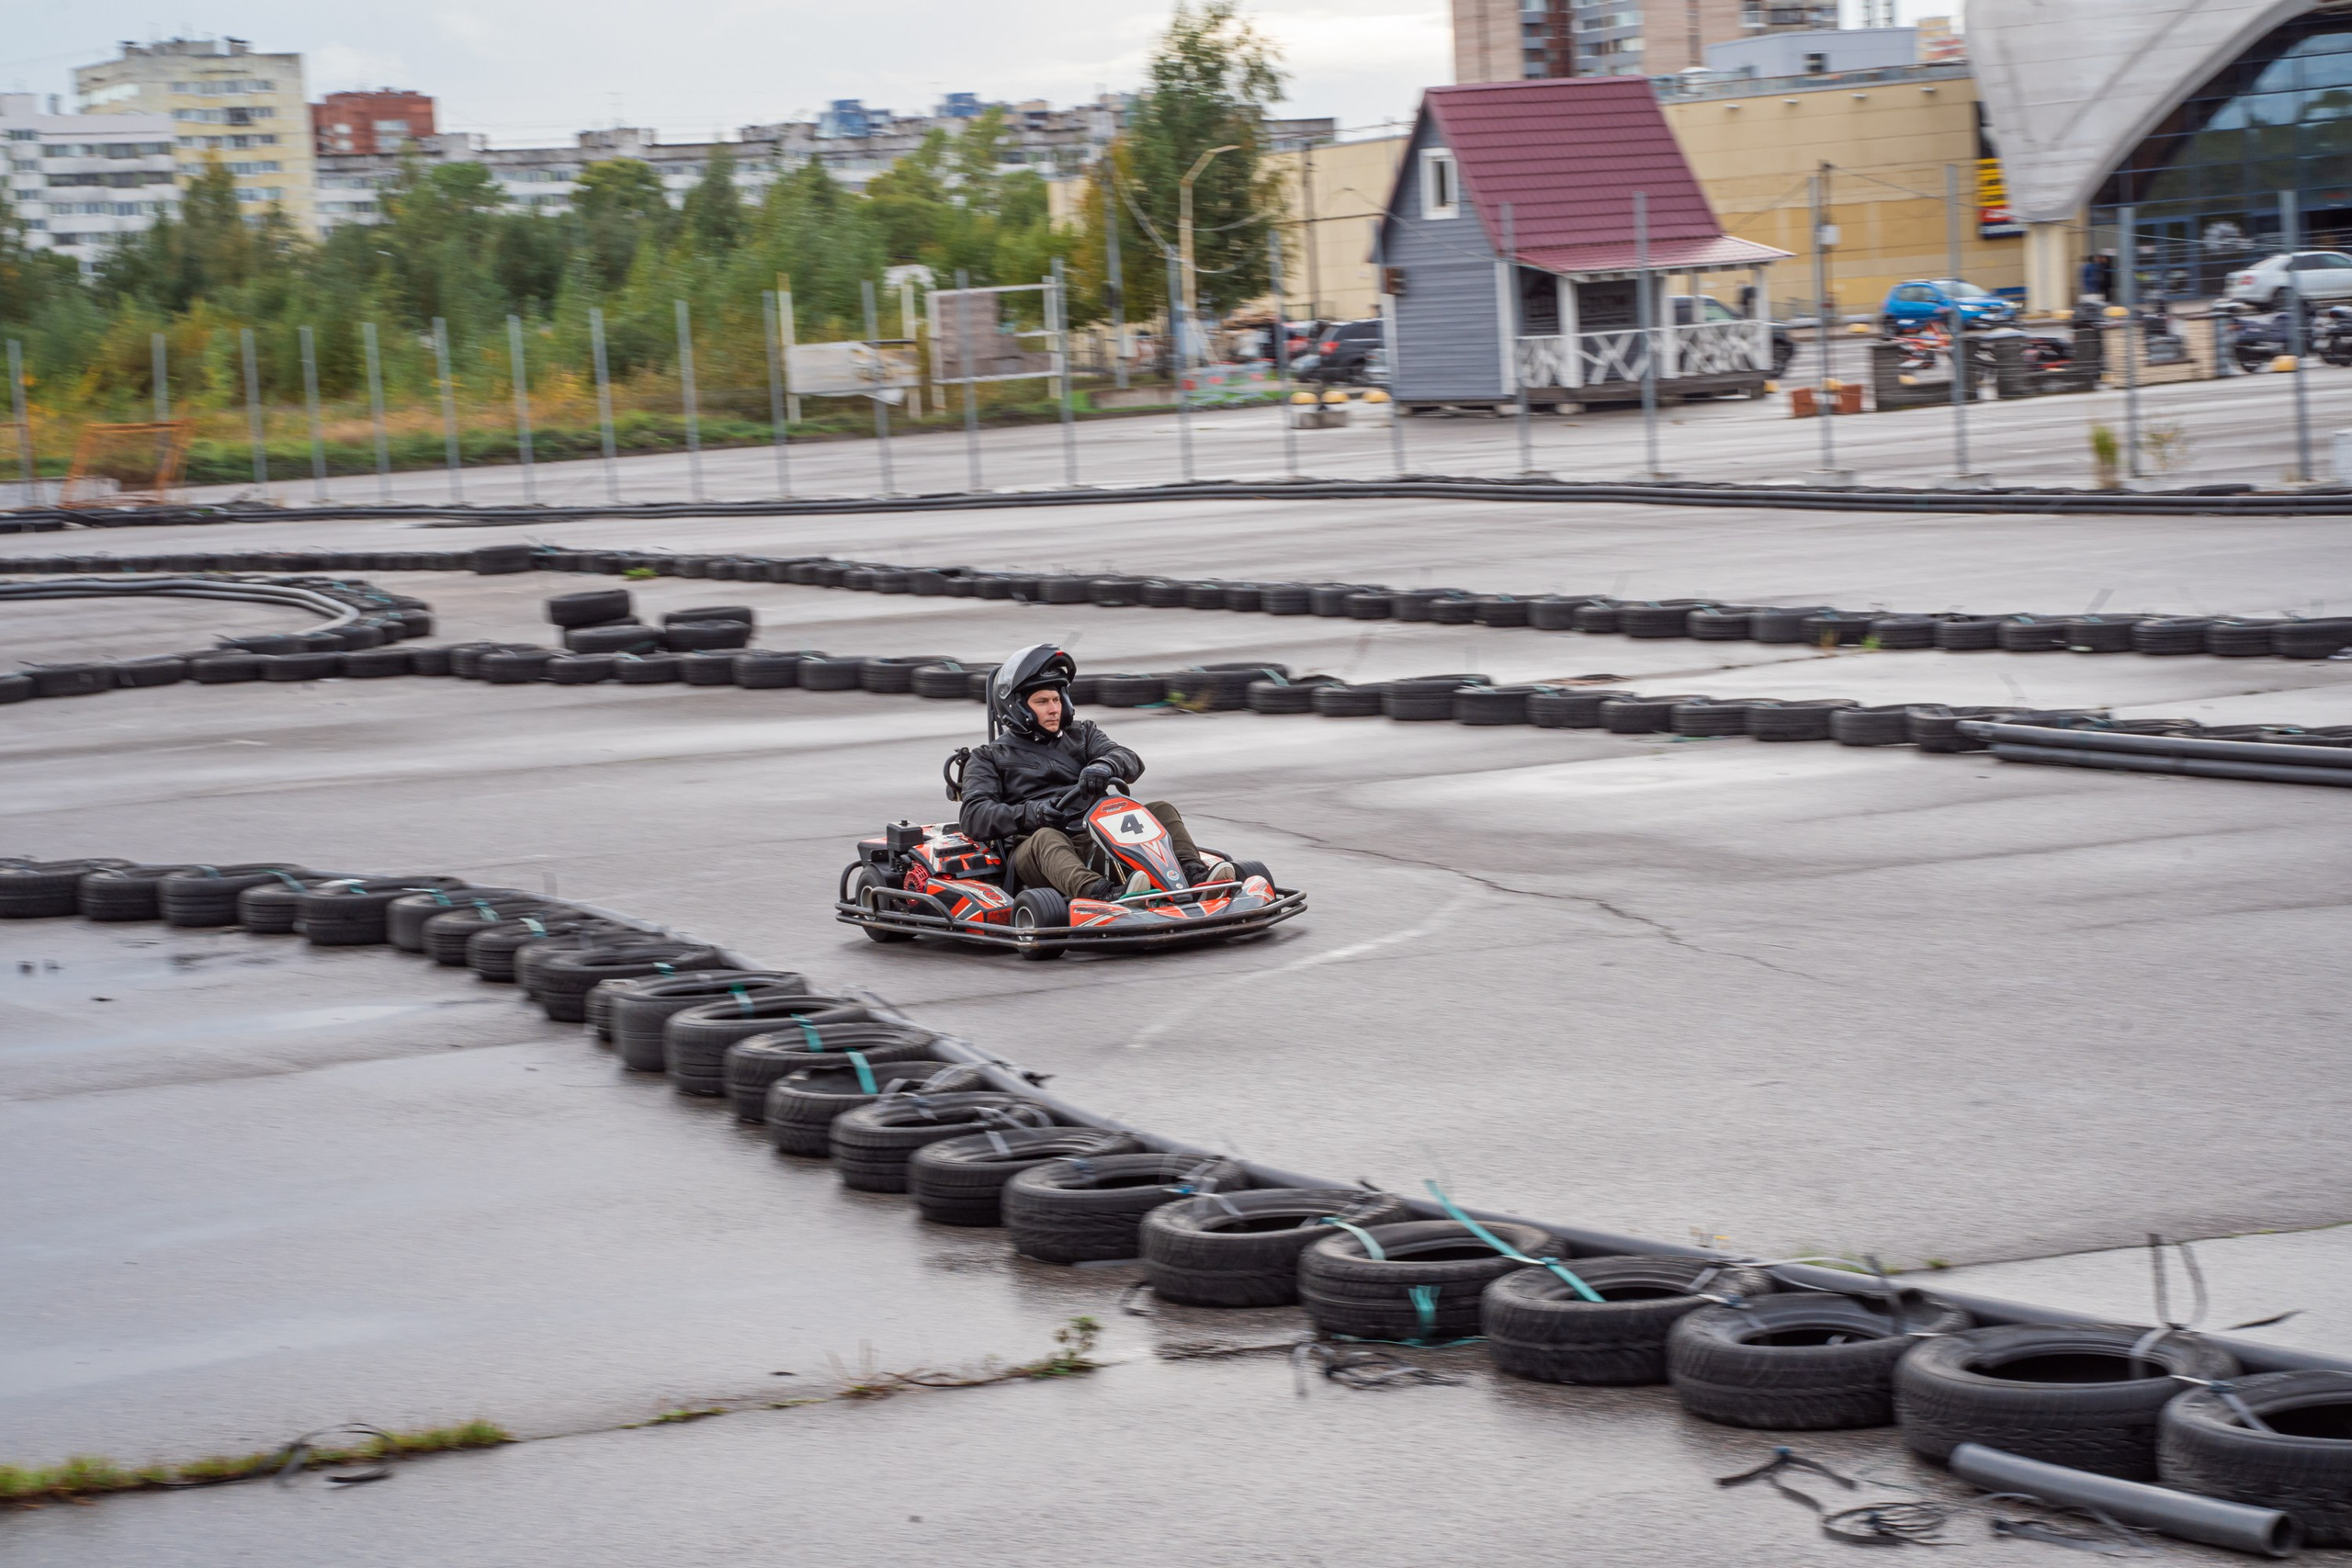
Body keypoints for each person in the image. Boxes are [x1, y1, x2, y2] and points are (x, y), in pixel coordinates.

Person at [956, 644, 1236, 904]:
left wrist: (1104, 766)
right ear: (1017, 707)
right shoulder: (988, 757)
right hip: (1036, 853)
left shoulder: (1083, 734)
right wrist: (1035, 813)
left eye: (1057, 699)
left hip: (1097, 836)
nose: (1054, 709)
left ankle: (1193, 874)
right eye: (1042, 702)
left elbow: (1128, 758)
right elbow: (974, 817)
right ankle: (1101, 894)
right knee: (1046, 837)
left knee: (1160, 809)